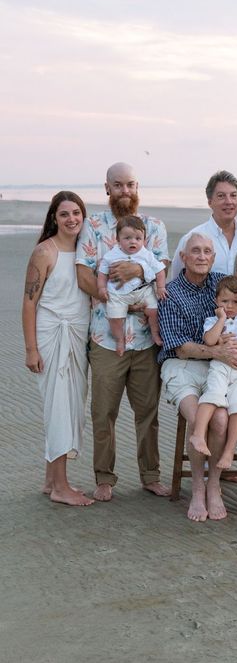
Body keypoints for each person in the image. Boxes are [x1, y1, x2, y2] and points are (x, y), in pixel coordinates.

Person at [76, 162, 171, 501]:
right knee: (103, 412)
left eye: (130, 184)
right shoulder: (93, 227)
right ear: (107, 188)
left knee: (148, 412)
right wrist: (112, 296)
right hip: (105, 336)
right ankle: (104, 477)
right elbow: (84, 274)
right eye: (118, 185)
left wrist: (134, 270)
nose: (125, 191)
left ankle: (150, 475)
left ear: (137, 186)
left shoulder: (155, 227)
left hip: (145, 339)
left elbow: (163, 270)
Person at [158, 233, 237, 522]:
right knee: (200, 414)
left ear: (214, 258)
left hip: (218, 368)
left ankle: (215, 485)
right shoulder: (171, 292)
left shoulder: (221, 283)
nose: (202, 256)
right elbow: (179, 346)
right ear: (183, 258)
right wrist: (217, 353)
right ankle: (198, 488)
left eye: (208, 252)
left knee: (222, 418)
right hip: (180, 365)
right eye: (195, 251)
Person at [22, 191, 93, 506]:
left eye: (76, 213)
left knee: (71, 407)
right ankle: (62, 488)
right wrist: (31, 350)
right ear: (54, 218)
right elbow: (28, 304)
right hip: (52, 337)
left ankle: (51, 480)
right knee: (59, 409)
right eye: (64, 214)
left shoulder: (83, 252)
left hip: (77, 336)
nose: (71, 219)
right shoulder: (45, 252)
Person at [189, 275, 237, 469]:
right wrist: (221, 319)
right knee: (213, 394)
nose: (230, 306)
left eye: (236, 302)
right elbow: (209, 341)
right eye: (225, 301)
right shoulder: (212, 320)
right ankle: (198, 435)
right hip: (220, 366)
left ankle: (229, 450)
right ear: (216, 301)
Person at [97, 215, 167, 356]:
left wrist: (160, 287)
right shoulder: (111, 255)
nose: (132, 242)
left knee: (154, 311)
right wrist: (102, 288)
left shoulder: (146, 255)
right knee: (115, 319)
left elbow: (160, 271)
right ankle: (120, 340)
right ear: (118, 239)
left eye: (137, 238)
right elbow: (102, 273)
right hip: (118, 294)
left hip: (142, 291)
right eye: (127, 238)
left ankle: (155, 333)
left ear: (144, 240)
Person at [170, 170, 237, 279]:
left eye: (233, 195)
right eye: (221, 196)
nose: (229, 201)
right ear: (210, 202)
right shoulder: (191, 239)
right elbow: (176, 279)